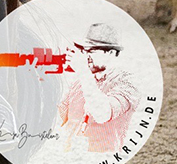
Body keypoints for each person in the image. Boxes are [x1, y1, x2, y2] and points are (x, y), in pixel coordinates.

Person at [59, 23, 137, 153]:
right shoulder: (81, 81)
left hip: (104, 160)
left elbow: (102, 114)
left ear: (111, 53)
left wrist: (83, 72)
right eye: (83, 51)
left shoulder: (127, 84)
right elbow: (61, 116)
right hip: (72, 158)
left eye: (92, 50)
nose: (86, 56)